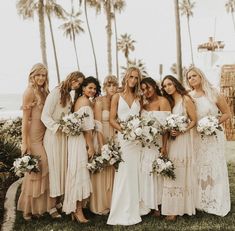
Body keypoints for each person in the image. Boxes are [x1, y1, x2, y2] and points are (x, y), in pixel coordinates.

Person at [185, 66, 231, 216]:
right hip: (197, 137)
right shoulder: (189, 97)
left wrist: (213, 123)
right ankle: (200, 200)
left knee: (214, 165)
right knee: (199, 166)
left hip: (213, 136)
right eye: (189, 77)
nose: (191, 79)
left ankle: (216, 199)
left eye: (194, 76)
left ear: (201, 75)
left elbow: (227, 113)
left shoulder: (214, 93)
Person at [17, 63, 58, 220]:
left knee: (45, 168)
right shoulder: (28, 92)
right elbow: (25, 120)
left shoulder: (44, 91)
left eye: (43, 75)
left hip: (45, 135)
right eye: (38, 75)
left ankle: (43, 207)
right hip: (34, 138)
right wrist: (24, 142)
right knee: (39, 168)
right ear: (32, 76)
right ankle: (28, 209)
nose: (41, 78)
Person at [41, 71, 85, 211]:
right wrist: (57, 127)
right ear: (71, 78)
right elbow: (45, 116)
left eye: (79, 83)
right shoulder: (56, 92)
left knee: (62, 168)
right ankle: (51, 206)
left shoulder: (69, 95)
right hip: (53, 136)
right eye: (76, 82)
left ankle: (58, 201)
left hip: (64, 137)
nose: (77, 85)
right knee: (54, 169)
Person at [107, 67, 142, 226]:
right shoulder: (116, 96)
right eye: (131, 77)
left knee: (134, 173)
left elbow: (140, 118)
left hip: (136, 141)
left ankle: (134, 209)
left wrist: (137, 132)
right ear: (126, 77)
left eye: (136, 78)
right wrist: (125, 131)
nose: (133, 80)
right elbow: (112, 119)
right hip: (124, 138)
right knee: (123, 172)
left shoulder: (138, 98)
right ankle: (120, 210)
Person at [63, 76, 101, 223]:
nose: (92, 90)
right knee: (79, 173)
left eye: (94, 88)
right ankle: (78, 211)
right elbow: (87, 128)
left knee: (76, 172)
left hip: (75, 140)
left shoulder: (79, 100)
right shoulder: (84, 102)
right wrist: (90, 146)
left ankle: (75, 209)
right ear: (83, 88)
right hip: (81, 142)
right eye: (90, 87)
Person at [161, 75, 196, 221]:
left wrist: (182, 130)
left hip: (183, 139)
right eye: (164, 86)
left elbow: (194, 120)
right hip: (172, 140)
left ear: (175, 84)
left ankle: (178, 209)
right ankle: (172, 207)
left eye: (169, 84)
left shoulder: (185, 99)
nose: (167, 87)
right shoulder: (169, 102)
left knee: (180, 171)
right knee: (172, 170)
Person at [139, 77, 171, 216]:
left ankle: (158, 205)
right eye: (143, 89)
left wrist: (164, 146)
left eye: (148, 87)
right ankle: (149, 204)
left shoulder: (163, 101)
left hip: (158, 143)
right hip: (146, 144)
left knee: (157, 172)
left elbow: (166, 127)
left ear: (154, 86)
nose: (146, 91)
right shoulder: (144, 105)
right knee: (146, 172)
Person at [90, 75, 118, 215]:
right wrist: (103, 146)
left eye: (114, 85)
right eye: (109, 85)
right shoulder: (99, 101)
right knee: (103, 168)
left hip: (115, 136)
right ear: (105, 87)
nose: (112, 88)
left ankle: (113, 202)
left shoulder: (118, 100)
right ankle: (101, 204)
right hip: (102, 136)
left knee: (114, 169)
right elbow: (98, 125)